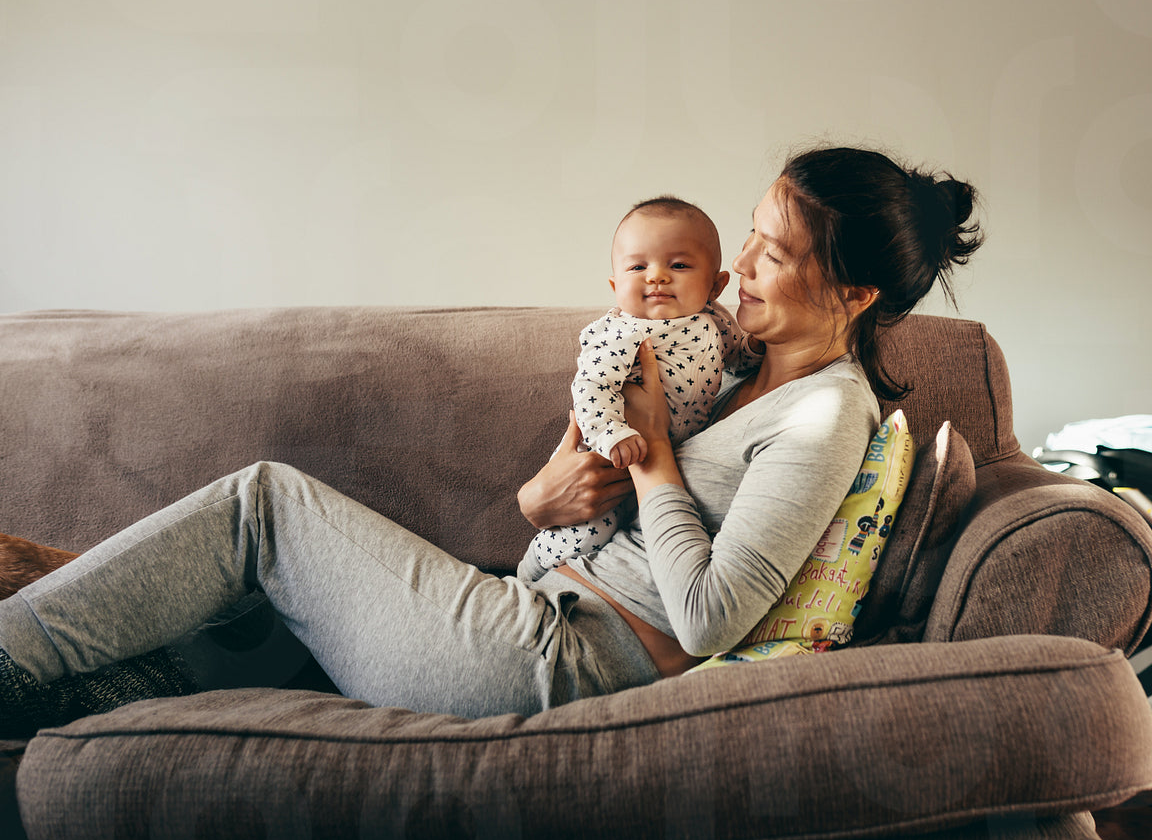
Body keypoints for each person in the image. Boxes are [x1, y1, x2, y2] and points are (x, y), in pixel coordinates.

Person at [0, 145, 982, 736]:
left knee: (264, 506)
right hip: (539, 605)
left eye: (778, 252)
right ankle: (67, 686)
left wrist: (654, 459)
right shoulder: (730, 365)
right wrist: (541, 497)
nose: (744, 266)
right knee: (253, 608)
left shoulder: (824, 418)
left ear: (854, 293)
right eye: (753, 234)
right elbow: (580, 496)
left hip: (562, 664)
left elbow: (709, 618)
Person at [520, 195, 758, 579]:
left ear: (716, 285)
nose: (656, 276)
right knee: (588, 531)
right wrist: (611, 433)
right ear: (616, 285)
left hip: (657, 464)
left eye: (678, 265)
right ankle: (531, 570)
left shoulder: (715, 320)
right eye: (638, 266)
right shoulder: (622, 332)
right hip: (604, 454)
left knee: (626, 529)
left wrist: (755, 350)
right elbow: (592, 387)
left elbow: (735, 359)